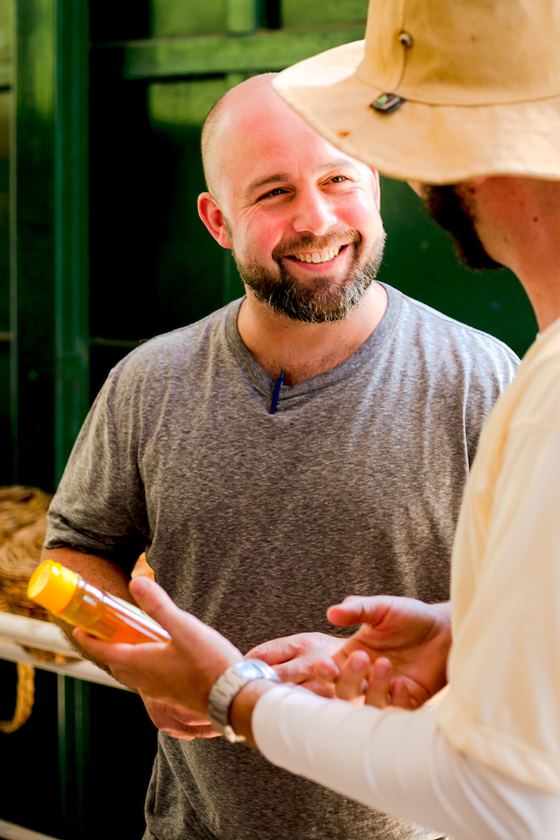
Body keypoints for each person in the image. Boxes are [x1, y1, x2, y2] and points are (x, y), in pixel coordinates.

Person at [43, 72, 518, 840]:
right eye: (272, 193)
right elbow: (71, 556)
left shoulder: (483, 379)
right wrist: (145, 661)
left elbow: (539, 611)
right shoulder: (147, 382)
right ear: (216, 219)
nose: (317, 219)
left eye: (339, 179)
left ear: (375, 184)